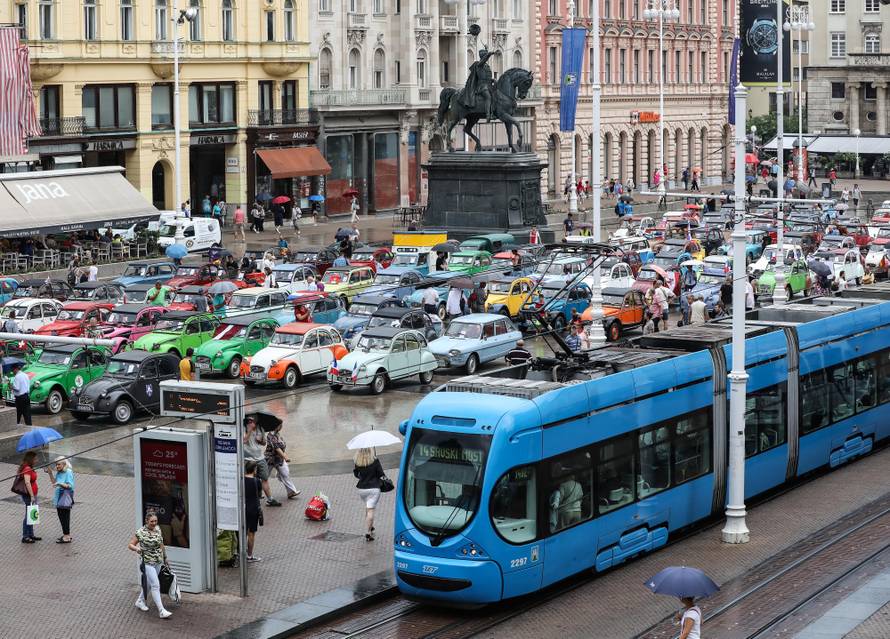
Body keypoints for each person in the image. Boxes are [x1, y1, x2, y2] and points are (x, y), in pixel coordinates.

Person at [128, 511, 173, 618]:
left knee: (148, 584)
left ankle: (140, 601)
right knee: (155, 585)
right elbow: (130, 545)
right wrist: (137, 549)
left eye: (155, 521)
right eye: (152, 521)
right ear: (147, 521)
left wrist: (165, 558)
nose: (154, 523)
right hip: (147, 562)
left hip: (158, 561)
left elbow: (161, 545)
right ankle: (161, 611)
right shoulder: (140, 532)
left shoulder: (158, 530)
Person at [243, 415, 279, 507]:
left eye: (254, 420)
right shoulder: (243, 428)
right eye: (250, 420)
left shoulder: (260, 428)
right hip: (248, 459)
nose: (252, 422)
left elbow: (264, 443)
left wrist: (261, 441)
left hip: (260, 457)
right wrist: (250, 430)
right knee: (250, 479)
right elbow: (244, 440)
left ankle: (270, 499)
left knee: (265, 478)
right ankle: (251, 499)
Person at [353, 448, 385, 542]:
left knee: (368, 506)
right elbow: (381, 474)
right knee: (371, 510)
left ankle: (370, 526)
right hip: (374, 488)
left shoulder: (357, 461)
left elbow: (356, 474)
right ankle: (368, 532)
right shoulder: (375, 460)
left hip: (362, 489)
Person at [264, 422, 300, 501]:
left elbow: (282, 446)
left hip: (279, 460)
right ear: (277, 426)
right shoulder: (271, 435)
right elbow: (276, 448)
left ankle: (291, 492)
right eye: (280, 425)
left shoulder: (278, 434)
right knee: (264, 477)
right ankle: (257, 491)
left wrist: (284, 456)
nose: (281, 427)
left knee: (285, 474)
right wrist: (285, 457)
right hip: (270, 459)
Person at [45, 456, 74, 543]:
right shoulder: (59, 472)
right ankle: (66, 534)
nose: (57, 466)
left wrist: (60, 484)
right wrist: (50, 473)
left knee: (65, 517)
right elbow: (54, 483)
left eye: (58, 464)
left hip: (65, 498)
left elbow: (70, 485)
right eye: (56, 464)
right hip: (59, 498)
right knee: (61, 517)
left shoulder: (68, 472)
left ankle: (66, 536)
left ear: (64, 464)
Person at [16, 450, 40, 543]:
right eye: (35, 458)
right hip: (29, 495)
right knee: (28, 515)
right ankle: (25, 536)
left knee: (31, 514)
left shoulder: (30, 468)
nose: (37, 460)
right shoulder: (27, 469)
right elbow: (27, 482)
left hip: (33, 494)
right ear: (31, 459)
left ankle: (31, 534)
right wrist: (32, 496)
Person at [243, 461, 263, 562]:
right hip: (253, 509)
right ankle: (249, 556)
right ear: (254, 469)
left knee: (242, 532)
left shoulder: (241, 480)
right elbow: (259, 494)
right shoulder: (257, 481)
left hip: (243, 508)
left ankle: (239, 553)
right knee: (251, 533)